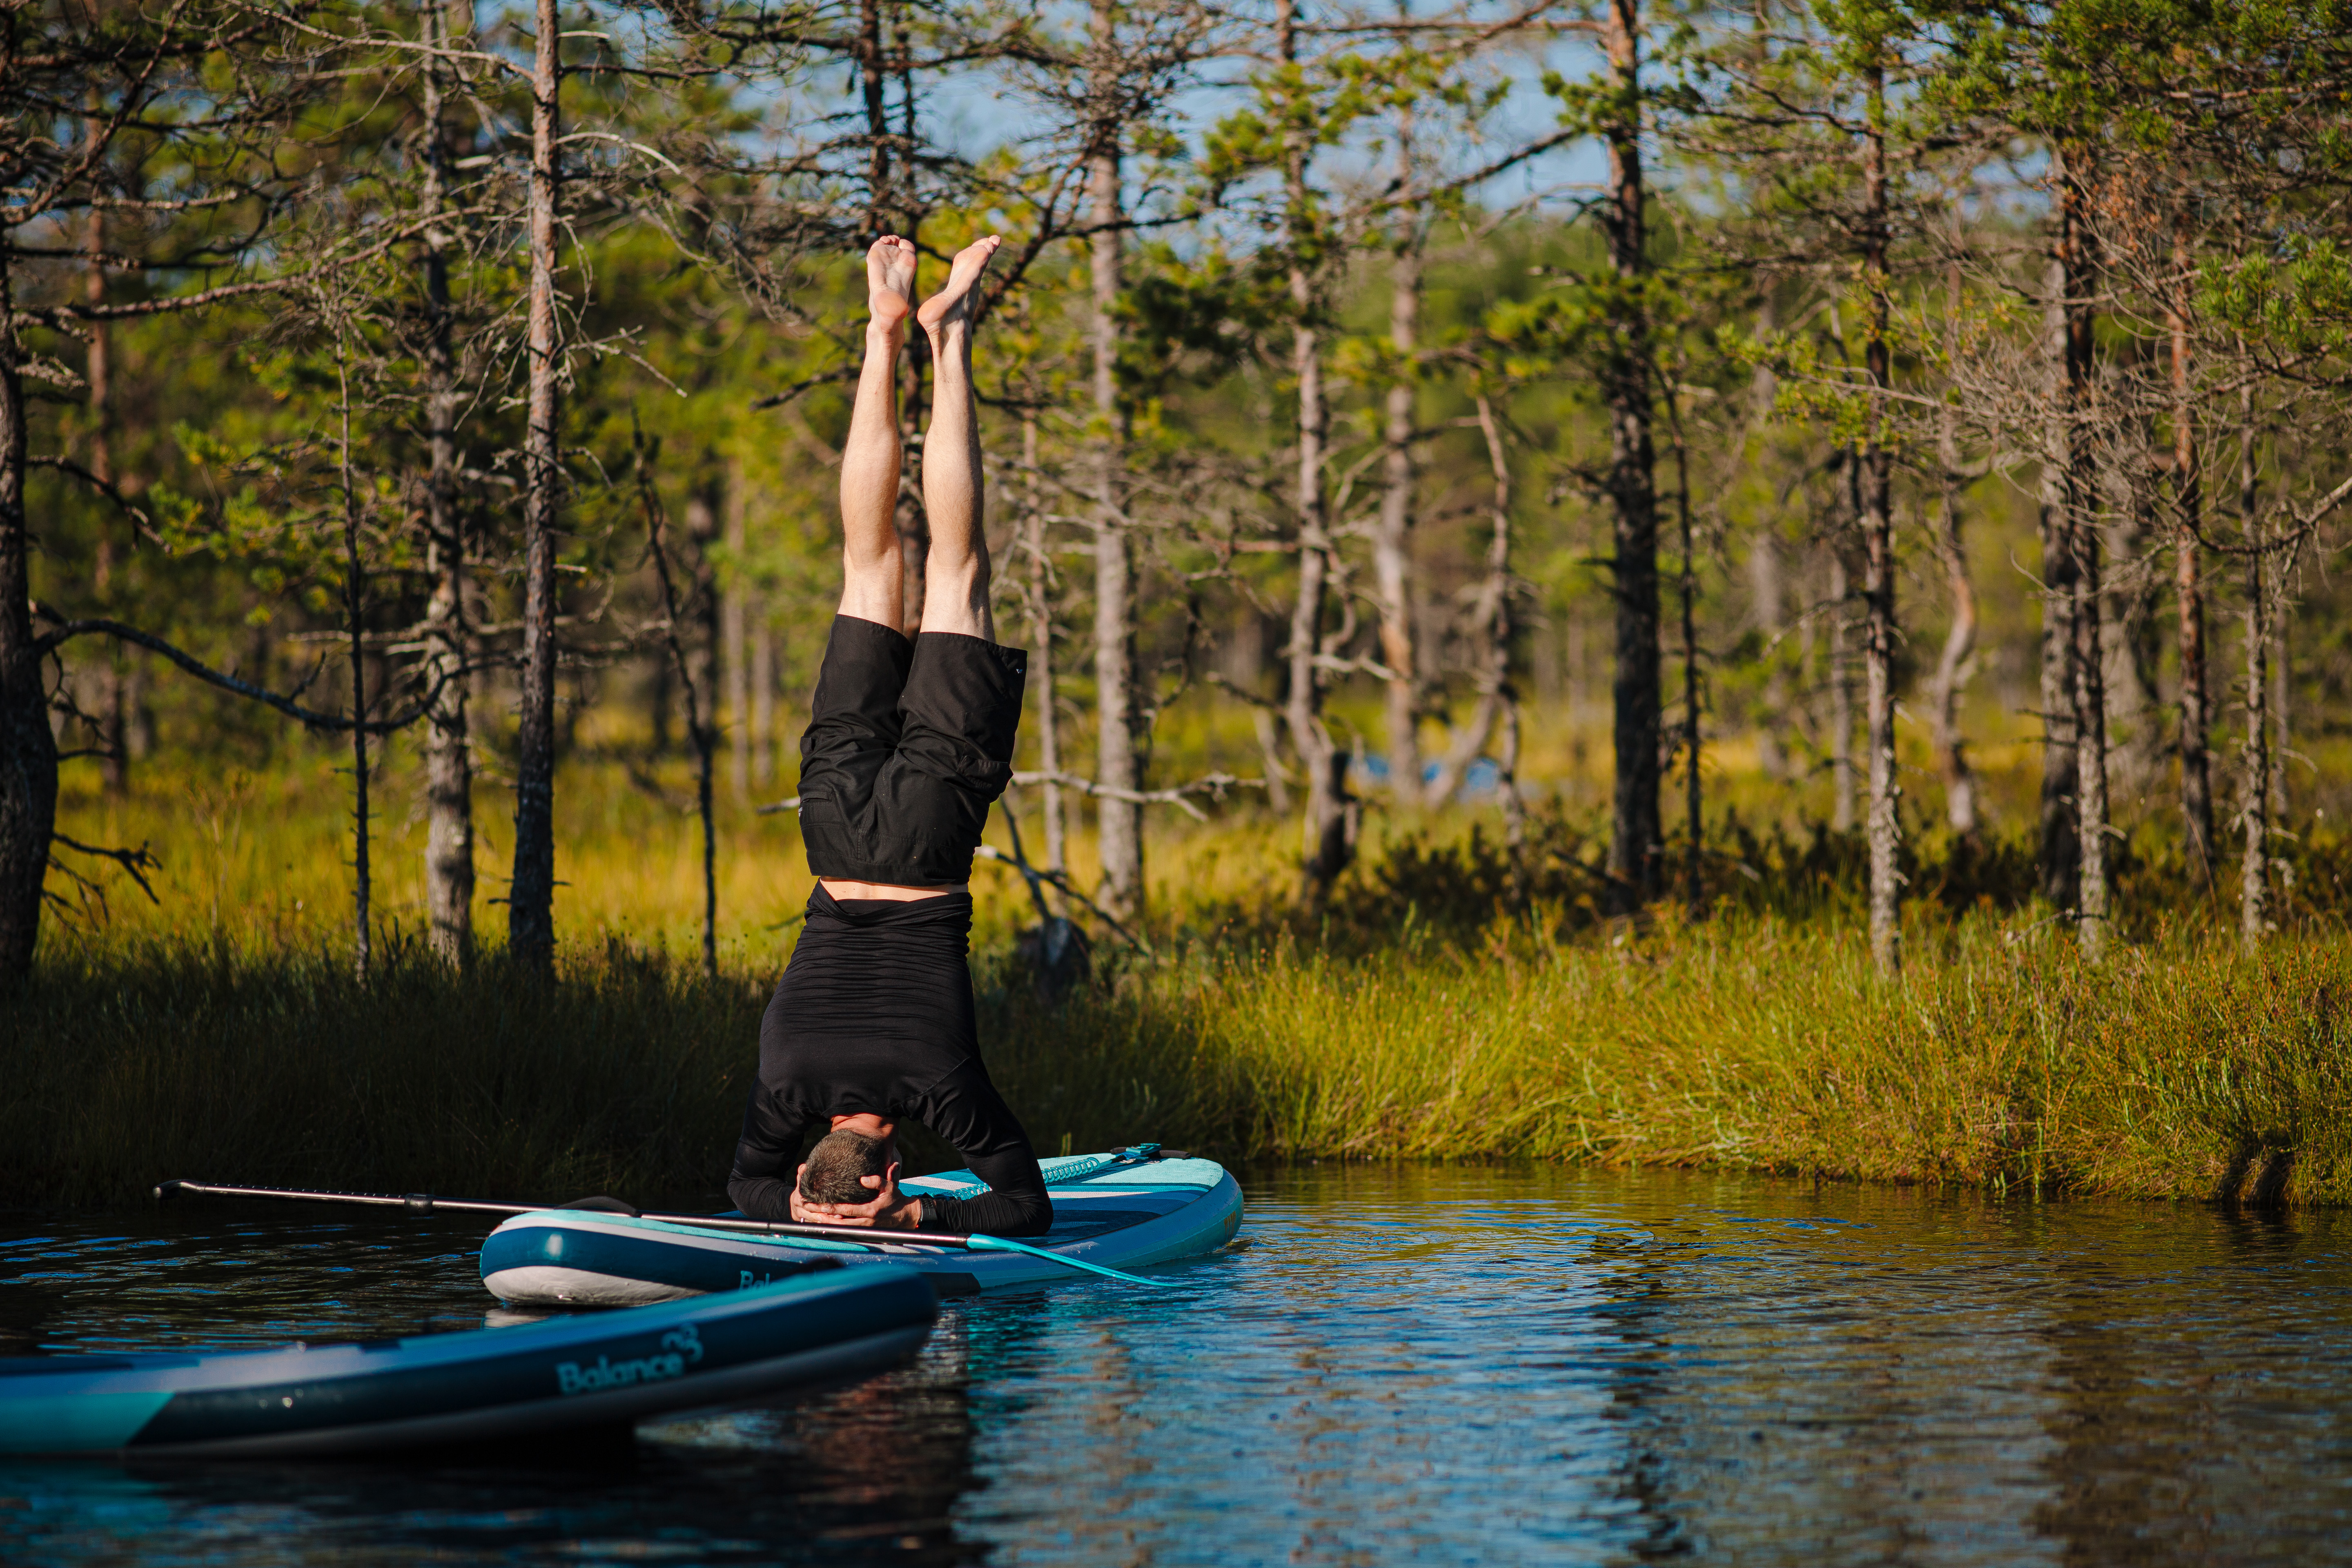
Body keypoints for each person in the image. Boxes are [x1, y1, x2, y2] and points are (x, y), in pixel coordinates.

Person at [725, 232, 1051, 1238]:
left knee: (957, 573)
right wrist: (793, 1205)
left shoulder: (938, 1086)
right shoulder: (783, 1091)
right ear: (819, 1149)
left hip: (924, 845)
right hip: (831, 836)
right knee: (868, 567)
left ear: (890, 1161)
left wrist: (912, 1222)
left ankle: (946, 340)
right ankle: (882, 332)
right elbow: (746, 1190)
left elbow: (1023, 1206)